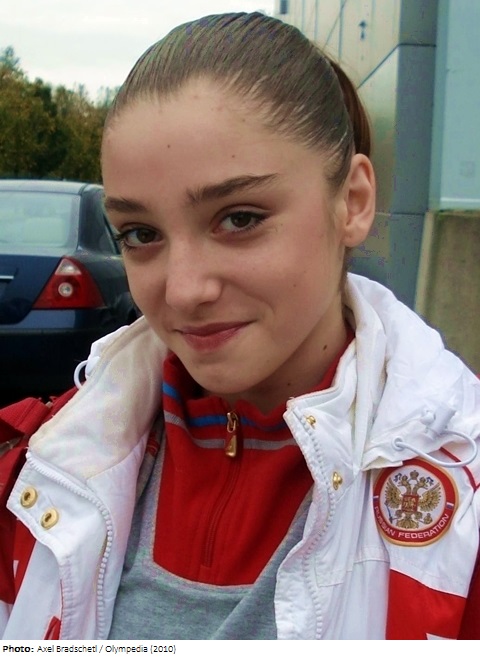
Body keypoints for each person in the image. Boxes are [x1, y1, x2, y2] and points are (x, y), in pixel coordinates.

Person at [1, 12, 479, 641]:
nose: (183, 290)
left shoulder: (464, 507)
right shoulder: (34, 468)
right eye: (141, 234)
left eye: (240, 219)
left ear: (353, 202)